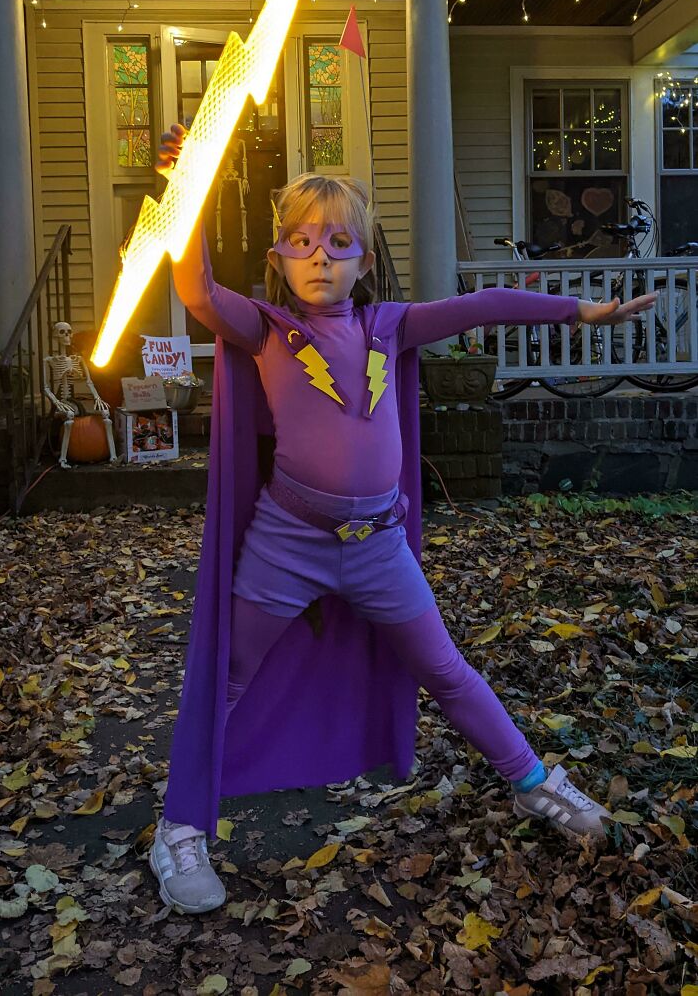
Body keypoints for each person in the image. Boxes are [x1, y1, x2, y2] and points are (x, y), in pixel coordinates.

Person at [148, 124, 655, 915]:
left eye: (341, 242)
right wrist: (188, 193)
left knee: (446, 669)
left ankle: (534, 783)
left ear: (365, 258)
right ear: (280, 259)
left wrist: (582, 311)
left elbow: (481, 302)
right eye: (303, 242)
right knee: (227, 677)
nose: (322, 255)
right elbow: (197, 294)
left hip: (377, 546)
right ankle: (179, 829)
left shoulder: (389, 326)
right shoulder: (267, 330)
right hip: (286, 544)